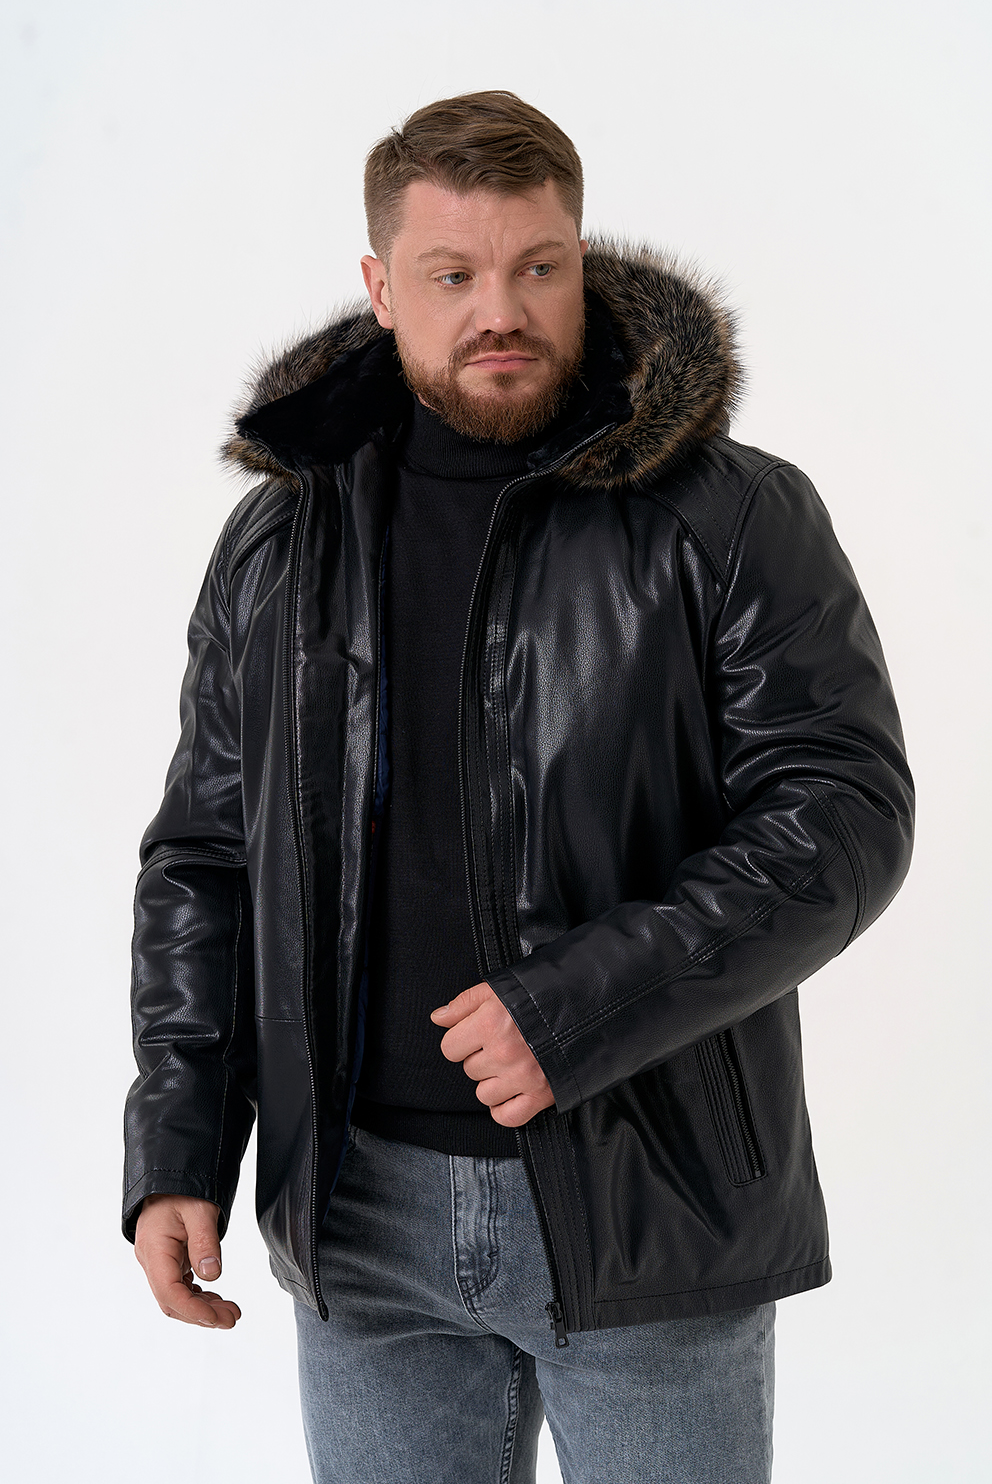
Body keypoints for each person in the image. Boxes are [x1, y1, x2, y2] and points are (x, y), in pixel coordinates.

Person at [123, 91, 914, 1483]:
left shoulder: (729, 514)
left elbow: (842, 816)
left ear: (579, 259)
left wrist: (578, 1006)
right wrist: (180, 1142)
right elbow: (205, 856)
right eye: (453, 276)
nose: (503, 311)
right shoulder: (281, 541)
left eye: (537, 267)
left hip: (648, 1199)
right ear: (381, 288)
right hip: (359, 1218)